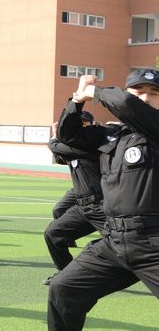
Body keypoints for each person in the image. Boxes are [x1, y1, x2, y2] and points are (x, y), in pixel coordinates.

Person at [48, 70, 159, 330]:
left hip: (153, 243)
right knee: (64, 289)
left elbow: (126, 104)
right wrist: (77, 100)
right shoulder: (112, 135)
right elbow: (68, 135)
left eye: (154, 94)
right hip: (115, 241)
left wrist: (95, 92)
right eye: (139, 92)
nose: (146, 98)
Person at [43, 114, 105, 286]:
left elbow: (55, 147)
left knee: (125, 246)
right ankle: (65, 273)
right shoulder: (74, 146)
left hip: (103, 206)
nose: (79, 127)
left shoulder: (91, 144)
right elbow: (60, 157)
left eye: (83, 123)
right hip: (84, 205)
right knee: (53, 233)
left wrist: (55, 135)